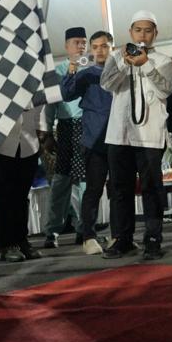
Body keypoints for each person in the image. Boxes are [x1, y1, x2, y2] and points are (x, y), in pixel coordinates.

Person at [100, 11, 172, 261]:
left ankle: (153, 239)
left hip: (150, 134)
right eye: (138, 30)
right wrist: (124, 62)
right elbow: (106, 84)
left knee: (152, 188)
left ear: (155, 34)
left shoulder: (163, 60)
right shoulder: (115, 57)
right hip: (119, 135)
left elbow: (167, 89)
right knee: (120, 189)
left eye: (148, 31)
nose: (143, 35)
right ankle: (123, 239)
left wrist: (146, 65)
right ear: (130, 32)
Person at [60, 31, 115, 255]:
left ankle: (119, 234)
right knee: (93, 189)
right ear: (91, 50)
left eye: (104, 46)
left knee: (119, 188)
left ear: (112, 47)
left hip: (120, 138)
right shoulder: (86, 74)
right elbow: (65, 94)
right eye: (95, 46)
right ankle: (88, 236)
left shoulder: (122, 70)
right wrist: (72, 68)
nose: (100, 50)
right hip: (94, 140)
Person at [42, 27, 88, 248]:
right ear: (67, 46)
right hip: (67, 128)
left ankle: (84, 228)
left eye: (83, 42)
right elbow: (49, 105)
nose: (80, 46)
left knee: (85, 182)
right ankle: (52, 231)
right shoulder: (57, 71)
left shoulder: (92, 68)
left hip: (88, 127)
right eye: (76, 42)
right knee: (61, 181)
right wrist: (47, 131)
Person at [0, 106, 44, 262]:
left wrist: (42, 130)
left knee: (22, 195)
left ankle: (22, 240)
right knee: (4, 194)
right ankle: (5, 244)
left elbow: (41, 102)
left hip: (29, 140)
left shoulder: (33, 80)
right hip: (2, 140)